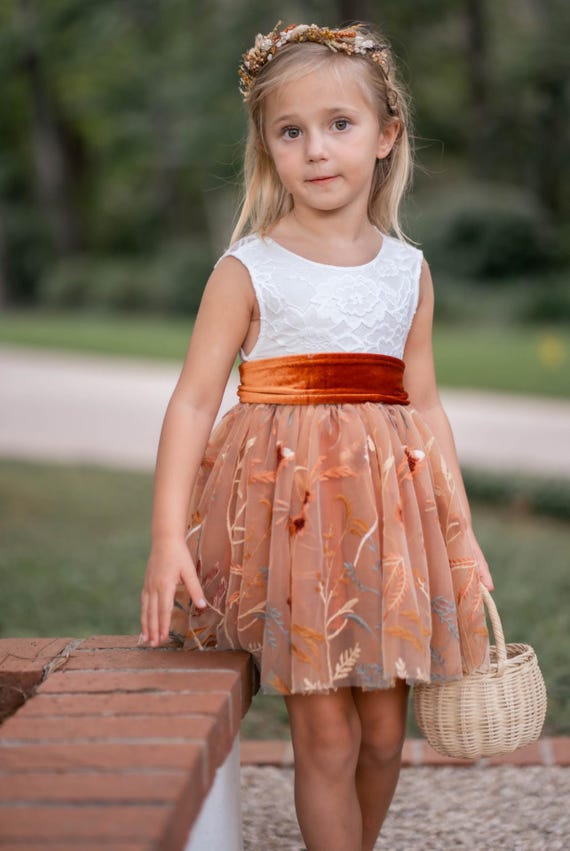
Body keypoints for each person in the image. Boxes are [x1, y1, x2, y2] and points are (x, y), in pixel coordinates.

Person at [140, 21, 494, 851]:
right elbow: (193, 402)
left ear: (386, 135)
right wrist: (165, 535)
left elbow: (426, 404)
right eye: (291, 131)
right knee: (328, 736)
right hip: (290, 525)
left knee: (384, 735)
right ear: (267, 148)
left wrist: (462, 530)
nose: (317, 149)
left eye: (340, 124)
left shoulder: (408, 270)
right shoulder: (249, 267)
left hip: (387, 528)